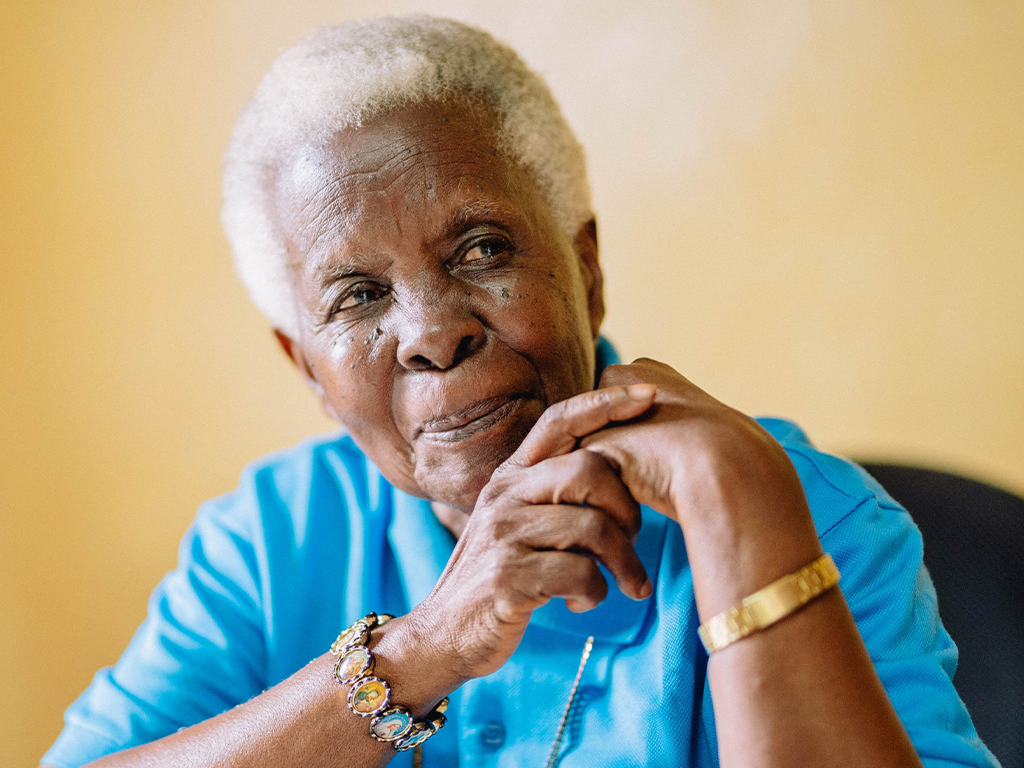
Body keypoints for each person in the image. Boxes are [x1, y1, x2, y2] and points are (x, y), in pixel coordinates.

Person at [42, 15, 999, 768]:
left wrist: (737, 510)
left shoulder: (810, 517)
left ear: (587, 270)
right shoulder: (271, 537)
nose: (432, 332)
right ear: (308, 370)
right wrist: (424, 648)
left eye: (482, 249)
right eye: (359, 295)